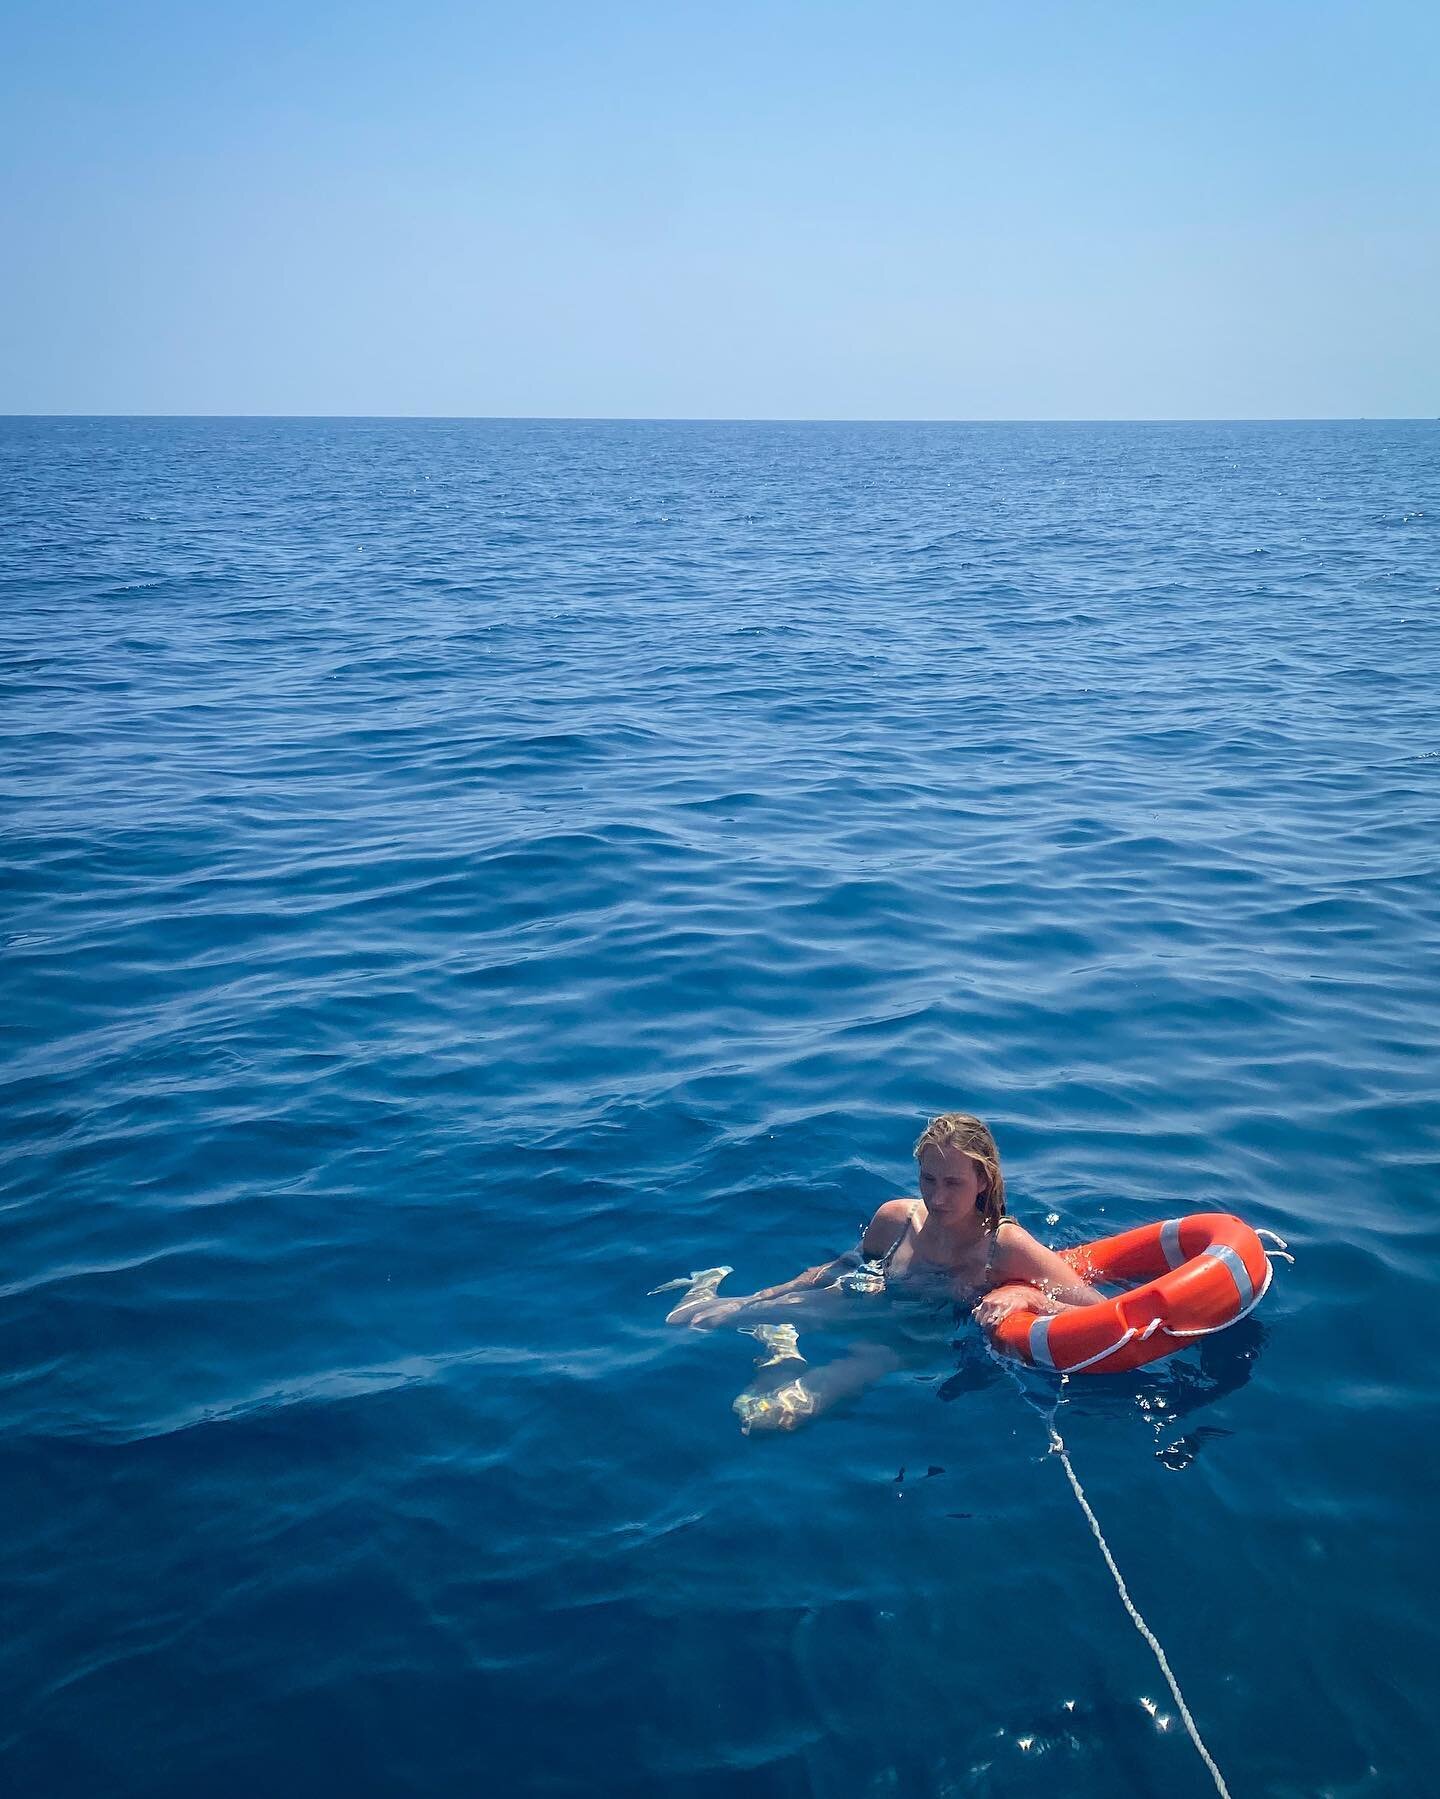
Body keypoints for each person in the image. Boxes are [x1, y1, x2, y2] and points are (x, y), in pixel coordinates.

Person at [659, 1112, 1105, 1432]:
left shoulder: (1003, 1245)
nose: (938, 1197)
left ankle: (781, 1348)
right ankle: (745, 1316)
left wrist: (1026, 1298)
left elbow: (1098, 1308)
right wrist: (776, 1295)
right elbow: (847, 1264)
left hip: (910, 1340)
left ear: (983, 1181)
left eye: (953, 1183)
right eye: (929, 1179)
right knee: (699, 1318)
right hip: (867, 1300)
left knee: (775, 1418)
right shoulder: (895, 1219)